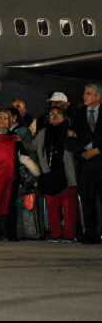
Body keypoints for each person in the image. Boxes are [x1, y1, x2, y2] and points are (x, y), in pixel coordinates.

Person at [29, 106, 77, 242]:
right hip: (49, 175)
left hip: (68, 176)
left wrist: (73, 136)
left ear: (64, 117)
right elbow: (31, 147)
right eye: (51, 114)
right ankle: (56, 235)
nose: (54, 116)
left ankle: (69, 235)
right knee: (52, 208)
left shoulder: (70, 132)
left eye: (58, 114)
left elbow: (78, 148)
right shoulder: (43, 133)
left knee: (69, 209)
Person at [66, 83, 102, 245]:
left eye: (88, 93)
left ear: (98, 97)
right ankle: (91, 234)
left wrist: (97, 150)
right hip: (85, 163)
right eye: (84, 93)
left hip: (101, 159)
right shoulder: (77, 114)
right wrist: (80, 150)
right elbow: (70, 138)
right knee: (87, 200)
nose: (84, 96)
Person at [0, 110, 20, 242]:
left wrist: (19, 142)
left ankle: (11, 231)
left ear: (10, 122)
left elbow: (24, 153)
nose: (2, 120)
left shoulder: (14, 136)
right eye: (0, 117)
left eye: (6, 118)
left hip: (10, 175)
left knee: (11, 204)